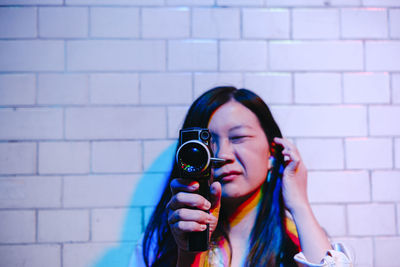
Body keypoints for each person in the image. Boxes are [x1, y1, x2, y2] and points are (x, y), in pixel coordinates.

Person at [133, 86, 352, 267]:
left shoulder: (300, 240)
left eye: (238, 137)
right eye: (207, 143)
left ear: (272, 151)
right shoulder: (157, 244)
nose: (222, 155)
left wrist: (299, 204)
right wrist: (188, 250)